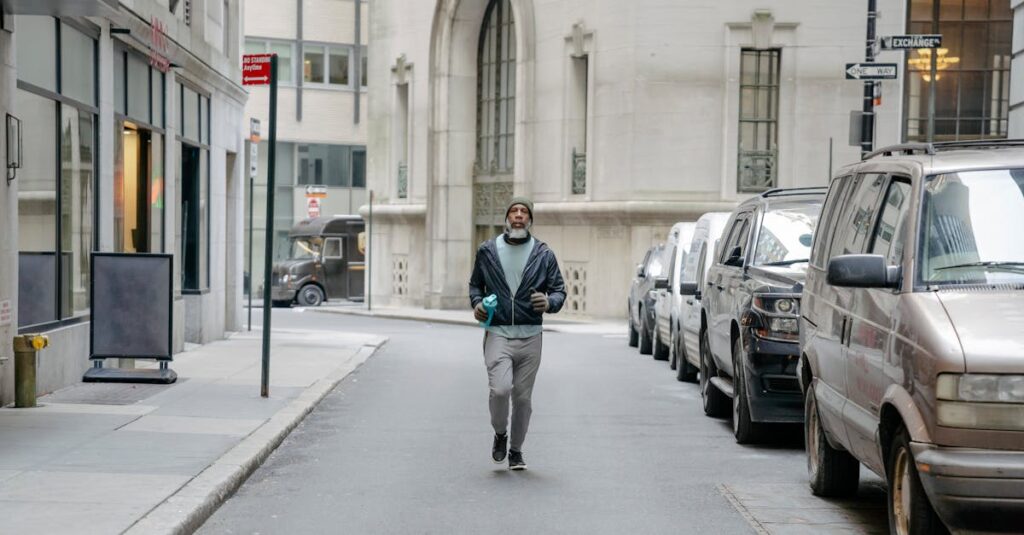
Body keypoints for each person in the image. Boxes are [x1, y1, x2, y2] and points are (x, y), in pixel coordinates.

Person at [469, 197, 566, 471]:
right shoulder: (487, 251)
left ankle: (516, 450)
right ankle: (500, 433)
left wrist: (549, 303)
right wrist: (477, 304)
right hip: (498, 331)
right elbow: (475, 286)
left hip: (531, 335)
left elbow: (559, 289)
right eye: (514, 211)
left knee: (523, 398)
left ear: (530, 220)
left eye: (524, 212)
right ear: (507, 219)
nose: (519, 216)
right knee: (500, 390)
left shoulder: (543, 254)